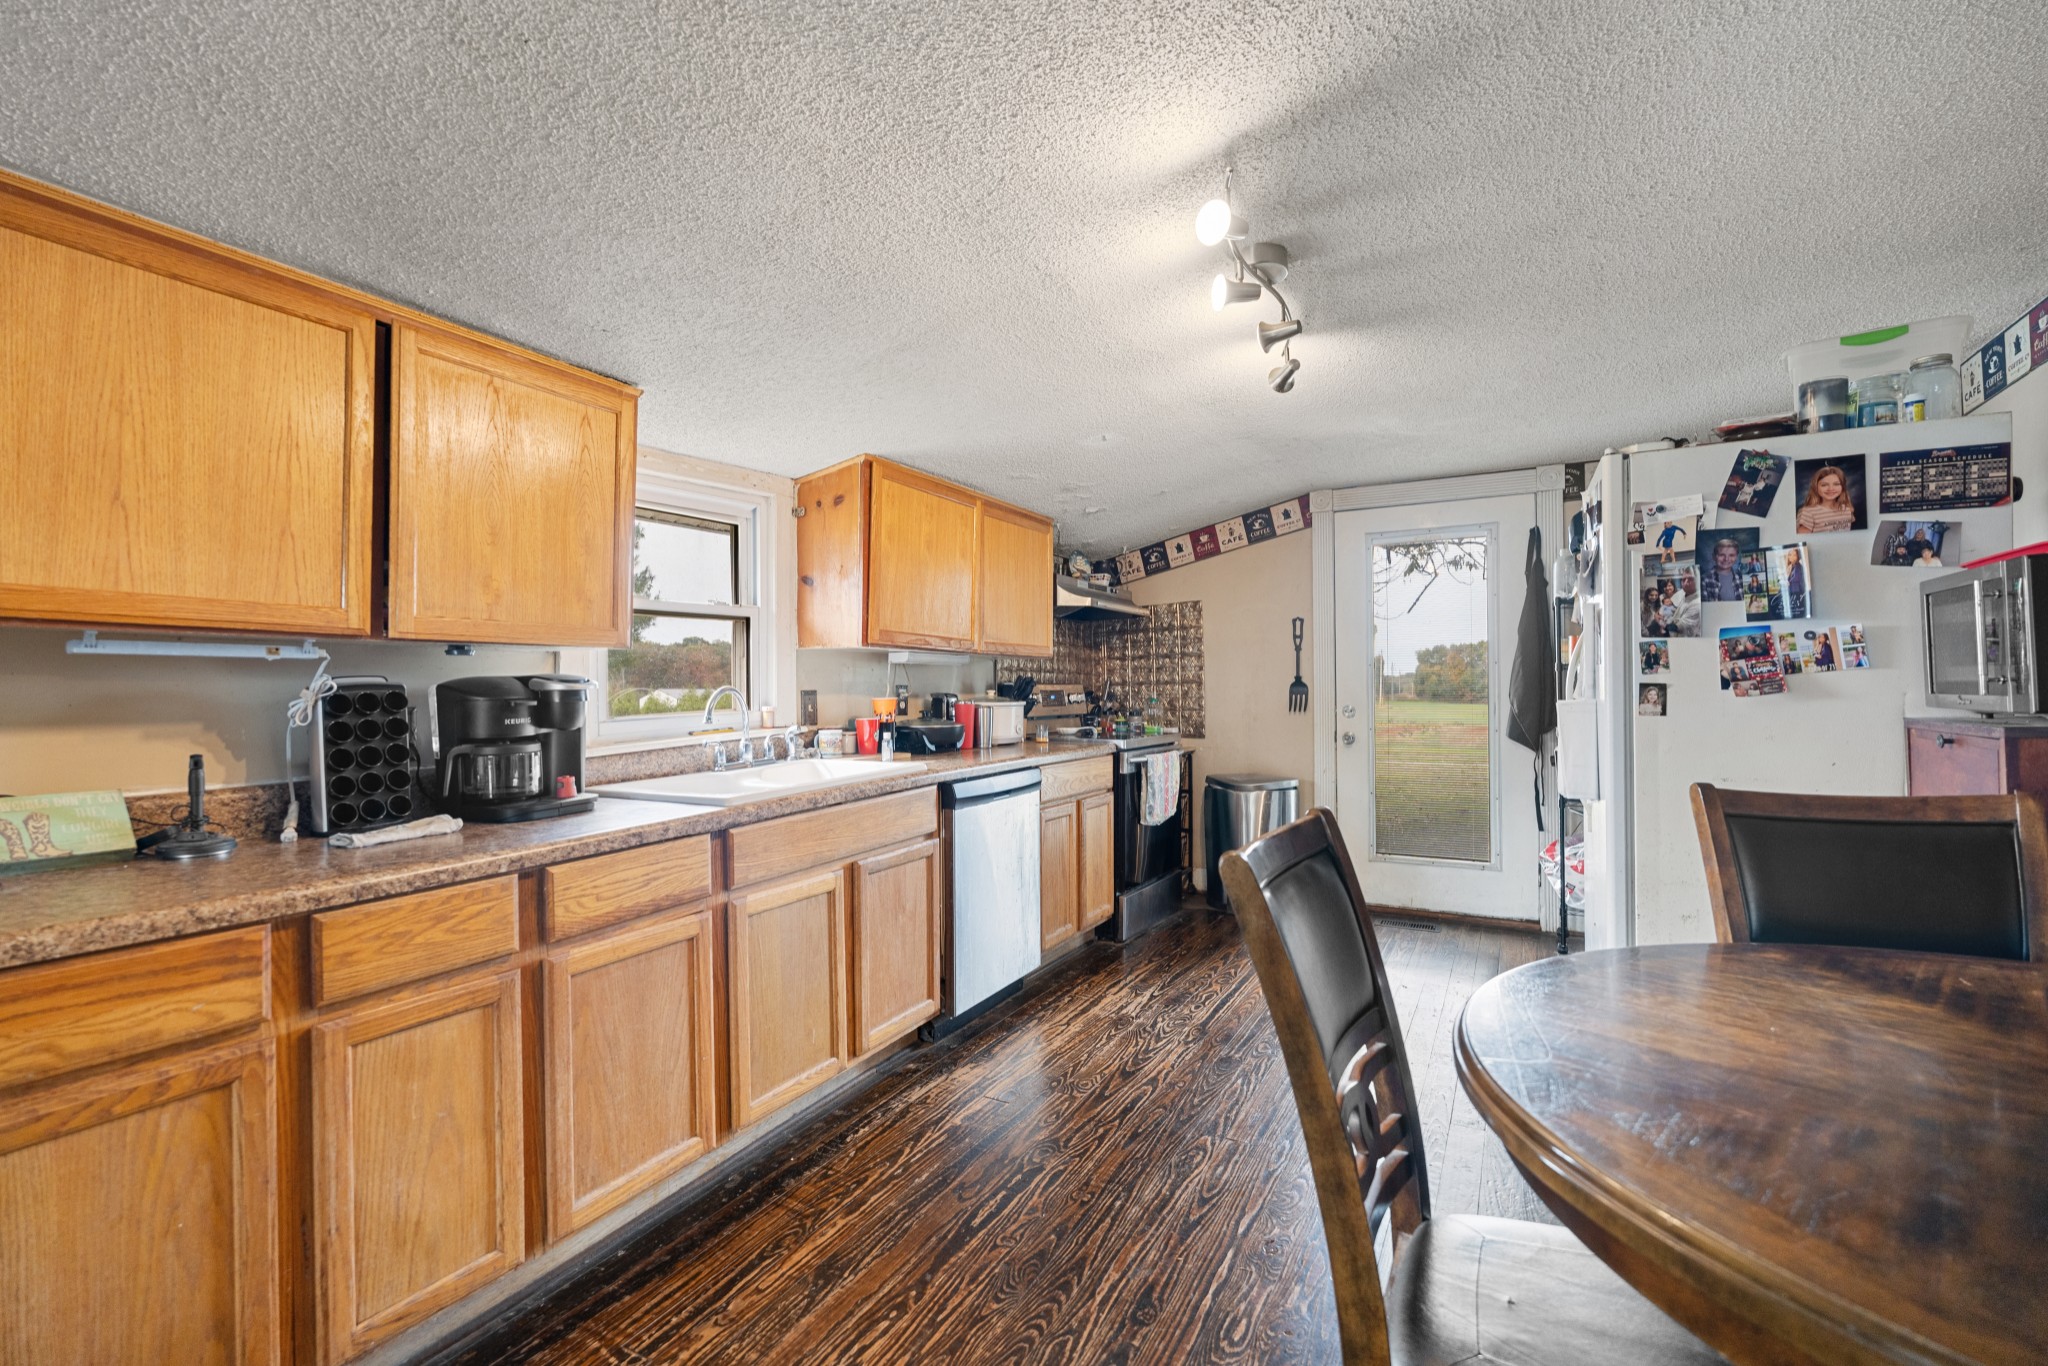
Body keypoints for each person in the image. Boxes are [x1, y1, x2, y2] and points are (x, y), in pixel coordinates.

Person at [1796, 465, 1858, 533]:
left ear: (1842, 487)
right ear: (1815, 487)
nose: (1831, 489)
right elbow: (1804, 540)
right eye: (1824, 485)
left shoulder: (1847, 509)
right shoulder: (1807, 512)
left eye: (1836, 484)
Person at [1782, 547, 1807, 615]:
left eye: (1794, 555)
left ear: (1798, 556)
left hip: (1797, 591)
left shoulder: (1798, 566)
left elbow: (1796, 577)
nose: (1791, 557)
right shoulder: (1792, 566)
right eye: (1790, 554)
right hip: (1793, 590)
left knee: (1797, 610)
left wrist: (1788, 581)